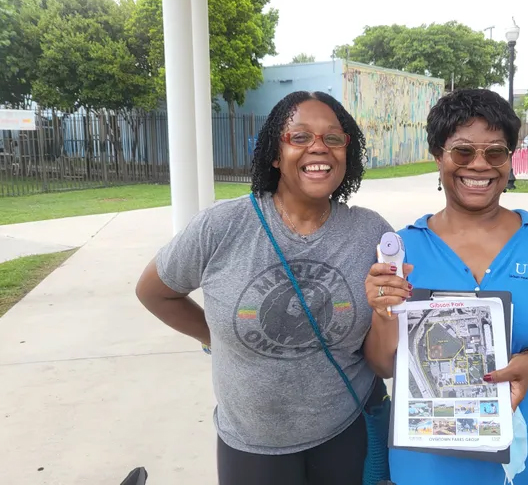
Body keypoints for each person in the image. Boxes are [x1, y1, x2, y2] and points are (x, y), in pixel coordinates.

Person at [364, 89, 528, 485]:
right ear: (438, 155)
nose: (480, 165)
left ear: (510, 159)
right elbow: (383, 365)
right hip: (434, 467)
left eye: (496, 152)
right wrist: (384, 309)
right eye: (463, 152)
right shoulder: (402, 249)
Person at [135, 91, 394, 485]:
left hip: (346, 427)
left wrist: (385, 308)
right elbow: (154, 291)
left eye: (333, 138)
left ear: (348, 151)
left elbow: (384, 359)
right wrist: (215, 334)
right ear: (275, 154)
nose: (319, 148)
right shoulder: (221, 226)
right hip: (252, 445)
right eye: (300, 137)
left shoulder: (371, 232)